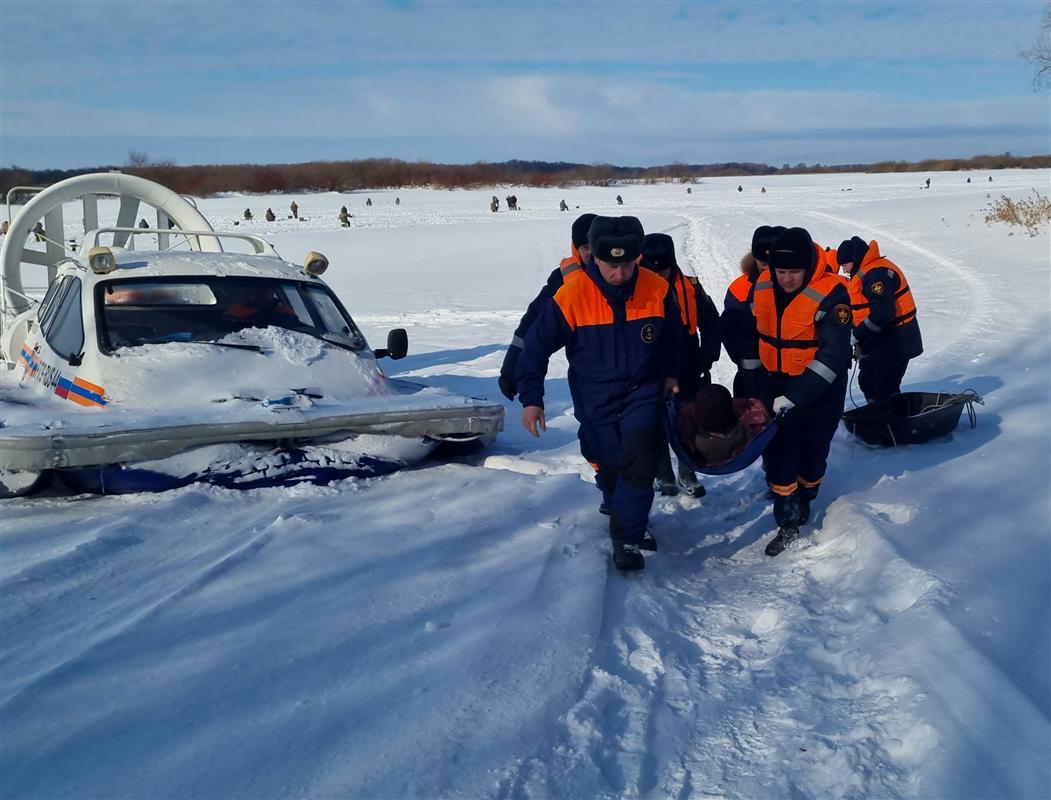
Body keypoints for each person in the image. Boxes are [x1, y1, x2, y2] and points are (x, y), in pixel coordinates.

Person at [516, 216, 685, 572]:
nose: (619, 274)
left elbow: (673, 338)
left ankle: (628, 537)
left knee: (639, 463)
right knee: (609, 466)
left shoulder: (656, 288)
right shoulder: (573, 293)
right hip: (594, 398)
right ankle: (618, 505)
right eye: (611, 266)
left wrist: (671, 374)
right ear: (594, 258)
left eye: (626, 265)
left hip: (642, 391)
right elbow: (535, 348)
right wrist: (532, 399)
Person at [738, 227, 852, 556]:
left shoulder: (833, 294)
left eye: (794, 272)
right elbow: (750, 336)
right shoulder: (761, 286)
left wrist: (797, 396)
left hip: (819, 393)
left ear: (809, 267)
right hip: (774, 385)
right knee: (779, 455)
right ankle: (786, 516)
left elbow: (832, 357)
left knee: (813, 455)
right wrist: (750, 382)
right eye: (781, 271)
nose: (787, 279)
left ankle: (807, 497)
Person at [638, 232, 721, 498]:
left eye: (664, 269)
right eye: (653, 269)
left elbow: (711, 322)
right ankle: (663, 474)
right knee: (654, 421)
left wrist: (707, 355)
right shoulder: (633, 286)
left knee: (687, 420)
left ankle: (687, 472)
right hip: (649, 363)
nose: (660, 275)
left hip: (687, 362)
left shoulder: (691, 287)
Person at [499, 213, 596, 401]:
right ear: (576, 249)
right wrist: (511, 369)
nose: (591, 252)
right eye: (585, 247)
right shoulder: (563, 280)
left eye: (595, 246)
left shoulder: (627, 271)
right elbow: (534, 321)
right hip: (588, 376)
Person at [836, 236, 923, 402]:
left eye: (845, 264)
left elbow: (883, 313)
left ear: (854, 260)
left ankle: (891, 422)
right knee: (867, 382)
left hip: (897, 338)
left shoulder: (877, 274)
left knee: (884, 387)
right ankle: (878, 416)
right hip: (880, 339)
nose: (844, 270)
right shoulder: (866, 272)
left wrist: (857, 334)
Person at [721, 225, 784, 398]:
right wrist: (742, 359)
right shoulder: (739, 289)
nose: (768, 269)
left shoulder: (796, 286)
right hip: (753, 375)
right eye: (764, 263)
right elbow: (729, 330)